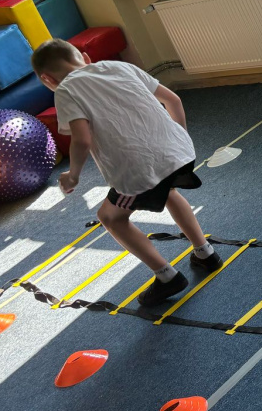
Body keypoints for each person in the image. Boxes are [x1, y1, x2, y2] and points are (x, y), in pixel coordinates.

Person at [31, 39, 221, 306]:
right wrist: (178, 138)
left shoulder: (65, 90)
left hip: (138, 170)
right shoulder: (119, 66)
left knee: (110, 217)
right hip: (179, 151)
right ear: (85, 57)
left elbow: (82, 140)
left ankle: (167, 277)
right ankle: (205, 253)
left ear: (47, 79)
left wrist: (72, 175)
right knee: (167, 190)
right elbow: (173, 100)